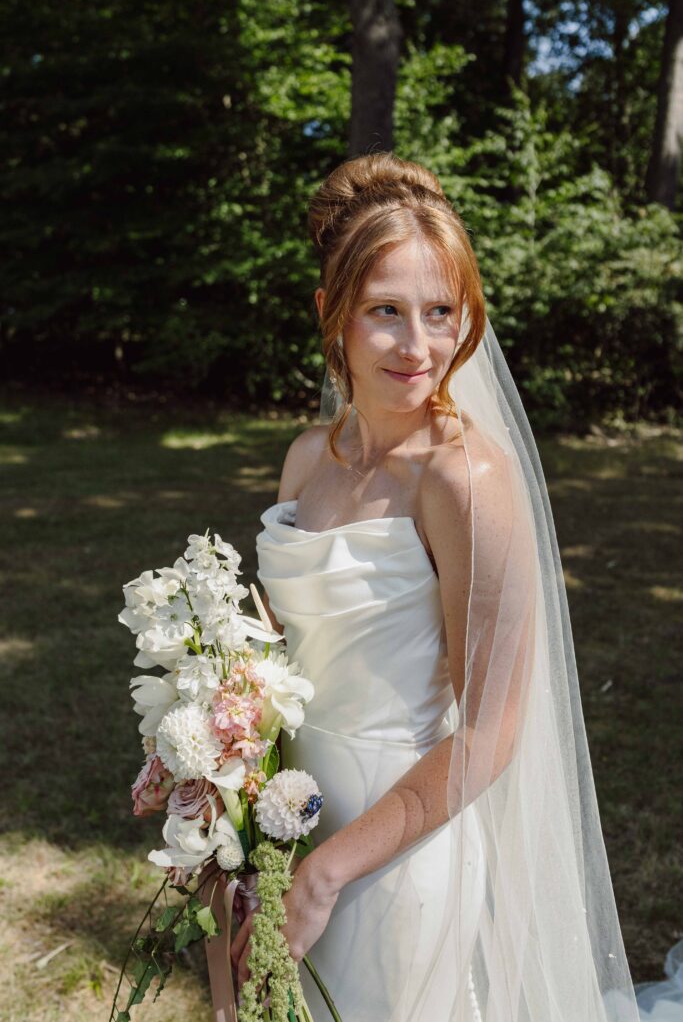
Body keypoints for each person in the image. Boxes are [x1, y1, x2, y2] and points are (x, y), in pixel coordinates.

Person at [229, 151, 643, 1020]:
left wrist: (329, 873)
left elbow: (490, 730)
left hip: (391, 855)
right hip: (286, 825)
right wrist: (221, 791)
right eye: (386, 310)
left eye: (440, 312)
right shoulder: (306, 461)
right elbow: (274, 665)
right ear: (330, 313)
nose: (417, 346)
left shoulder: (462, 481)